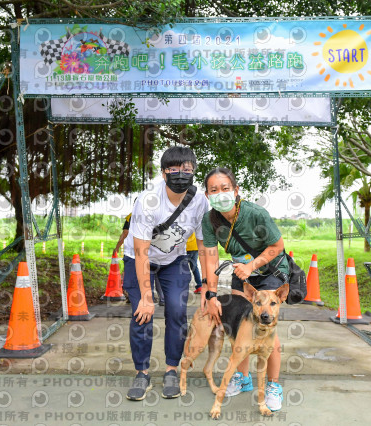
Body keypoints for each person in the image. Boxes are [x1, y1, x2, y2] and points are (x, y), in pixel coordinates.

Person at [122, 146, 208, 401]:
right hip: (139, 259)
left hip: (174, 260)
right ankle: (142, 373)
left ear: (193, 173)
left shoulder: (200, 201)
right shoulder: (148, 201)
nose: (181, 174)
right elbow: (141, 253)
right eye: (174, 170)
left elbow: (204, 246)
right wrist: (147, 297)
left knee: (177, 311)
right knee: (142, 314)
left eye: (187, 170)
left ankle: (172, 369)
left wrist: (209, 287)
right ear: (163, 173)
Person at [200, 167, 288, 411]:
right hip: (242, 273)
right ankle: (243, 378)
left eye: (225, 188)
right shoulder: (210, 220)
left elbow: (277, 246)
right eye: (214, 190)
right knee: (241, 327)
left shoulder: (255, 214)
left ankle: (273, 386)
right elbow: (210, 257)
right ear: (207, 195)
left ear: (236, 190)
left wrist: (252, 266)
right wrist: (211, 294)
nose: (220, 194)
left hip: (269, 270)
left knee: (267, 326)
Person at [114, 208, 164, 305]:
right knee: (156, 276)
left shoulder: (131, 216)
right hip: (153, 252)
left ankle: (136, 299)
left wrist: (117, 247)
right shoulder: (156, 215)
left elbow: (125, 233)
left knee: (135, 277)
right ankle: (161, 298)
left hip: (134, 253)